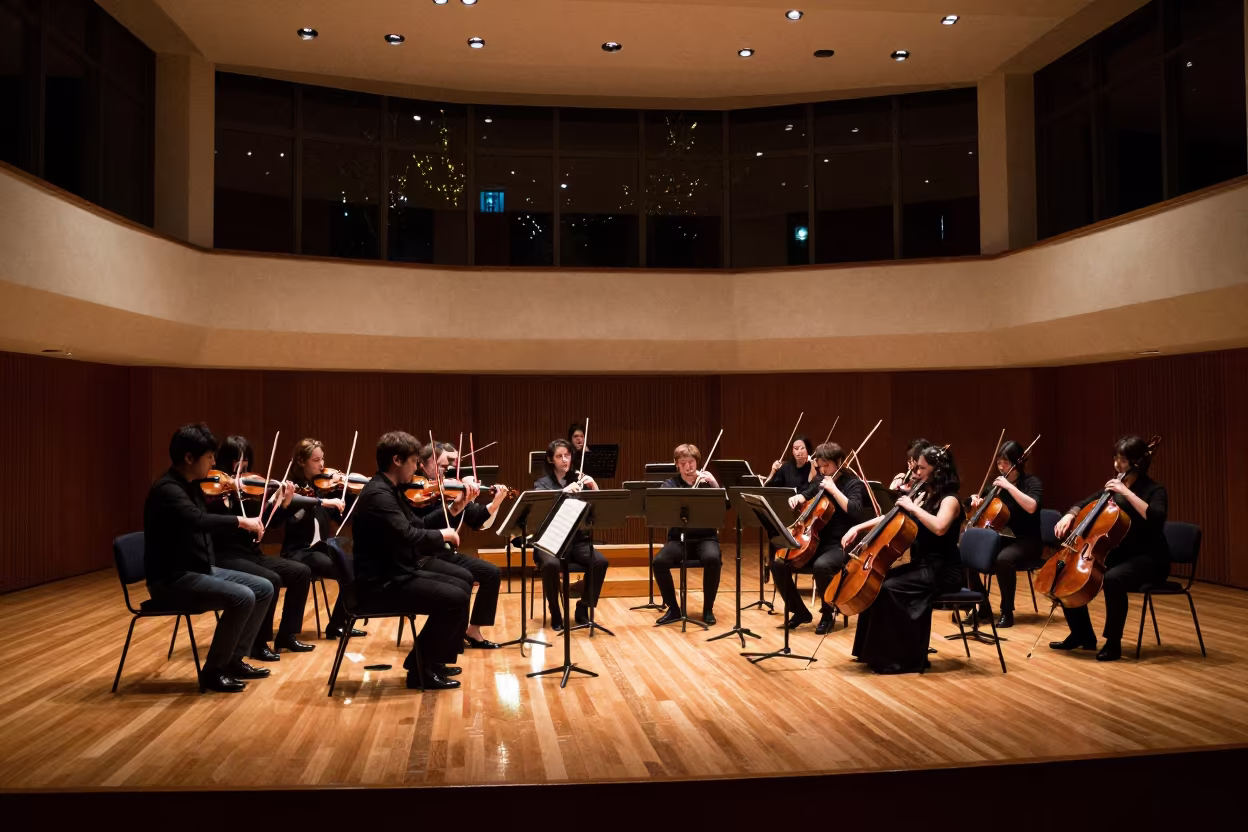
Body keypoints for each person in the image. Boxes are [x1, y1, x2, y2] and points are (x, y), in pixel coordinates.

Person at [142, 423, 274, 693]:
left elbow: (208, 514)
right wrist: (241, 521)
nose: (214, 463)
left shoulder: (191, 485)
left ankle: (234, 660)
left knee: (264, 587)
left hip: (199, 569)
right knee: (243, 596)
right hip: (173, 579)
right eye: (210, 456)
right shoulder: (168, 490)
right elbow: (197, 520)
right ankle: (214, 672)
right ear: (189, 458)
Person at [351, 431, 472, 690]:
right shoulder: (378, 495)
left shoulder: (390, 490)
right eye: (415, 461)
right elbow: (409, 536)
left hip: (396, 572)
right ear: (397, 460)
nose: (417, 467)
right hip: (380, 583)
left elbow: (419, 523)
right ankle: (420, 669)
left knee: (462, 585)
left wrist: (455, 508)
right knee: (454, 598)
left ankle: (433, 661)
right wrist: (443, 535)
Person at [843, 444, 963, 674]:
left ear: (937, 470)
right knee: (876, 583)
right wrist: (858, 528)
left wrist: (913, 507)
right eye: (916, 468)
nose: (916, 473)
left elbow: (939, 527)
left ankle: (902, 659)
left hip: (942, 571)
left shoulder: (950, 500)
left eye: (921, 468)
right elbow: (891, 517)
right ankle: (869, 653)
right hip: (922, 566)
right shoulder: (923, 494)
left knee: (889, 589)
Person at [1049, 435, 1168, 662]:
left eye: (1122, 460)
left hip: (1149, 558)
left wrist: (1127, 493)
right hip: (1120, 553)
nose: (1116, 465)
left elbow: (1156, 517)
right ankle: (1082, 634)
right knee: (1067, 572)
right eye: (1115, 459)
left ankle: (1113, 643)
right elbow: (1084, 503)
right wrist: (1070, 514)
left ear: (1136, 463)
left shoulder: (1154, 490)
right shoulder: (1113, 487)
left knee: (1113, 579)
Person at [209, 436, 317, 662]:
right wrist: (230, 500)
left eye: (246, 461)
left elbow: (266, 524)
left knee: (301, 572)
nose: (242, 467)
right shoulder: (212, 491)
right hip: (225, 557)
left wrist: (282, 505)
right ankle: (258, 643)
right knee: (271, 579)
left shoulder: (250, 490)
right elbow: (213, 524)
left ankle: (286, 635)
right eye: (237, 461)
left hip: (251, 554)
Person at [410, 441, 507, 648]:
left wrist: (495, 503)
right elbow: (424, 526)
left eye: (449, 467)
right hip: (422, 556)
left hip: (445, 554)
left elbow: (476, 520)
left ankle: (473, 630)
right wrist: (454, 506)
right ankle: (448, 636)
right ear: (423, 464)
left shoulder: (449, 489)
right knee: (464, 577)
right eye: (442, 466)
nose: (446, 471)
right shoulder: (413, 491)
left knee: (491, 572)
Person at [770, 442, 869, 634]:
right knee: (779, 562)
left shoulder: (853, 484)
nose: (823, 470)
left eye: (827, 465)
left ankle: (828, 613)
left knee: (822, 566)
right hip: (814, 541)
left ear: (839, 462)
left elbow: (855, 511)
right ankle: (799, 612)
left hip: (840, 544)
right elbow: (808, 494)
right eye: (820, 466)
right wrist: (798, 498)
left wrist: (834, 490)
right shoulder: (821, 479)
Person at [281, 437, 362, 640]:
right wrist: (320, 501)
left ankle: (339, 623)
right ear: (301, 461)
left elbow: (340, 517)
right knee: (345, 569)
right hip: (299, 552)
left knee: (356, 568)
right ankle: (332, 626)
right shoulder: (292, 488)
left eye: (322, 459)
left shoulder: (320, 487)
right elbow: (292, 515)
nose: (322, 465)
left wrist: (347, 492)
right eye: (316, 460)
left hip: (320, 549)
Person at [963, 439, 1043, 628]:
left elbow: (1032, 506)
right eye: (999, 462)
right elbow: (976, 505)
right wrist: (973, 501)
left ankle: (1007, 611)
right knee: (966, 556)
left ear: (1017, 462)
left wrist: (1009, 487)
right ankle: (982, 605)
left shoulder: (1031, 483)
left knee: (1003, 560)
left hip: (1027, 541)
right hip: (1002, 539)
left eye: (1005, 462)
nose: (1001, 467)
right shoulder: (995, 487)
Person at [532, 438, 610, 631]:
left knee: (600, 562)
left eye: (567, 455)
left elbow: (597, 512)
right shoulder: (542, 483)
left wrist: (594, 487)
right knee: (550, 565)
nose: (565, 459)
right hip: (550, 541)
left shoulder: (579, 480)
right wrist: (562, 492)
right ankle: (555, 612)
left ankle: (583, 608)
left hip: (576, 540)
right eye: (559, 456)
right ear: (551, 459)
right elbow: (541, 510)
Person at [653, 444, 723, 627]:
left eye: (691, 462)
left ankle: (708, 609)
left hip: (705, 538)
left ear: (697, 462)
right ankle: (673, 608)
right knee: (659, 562)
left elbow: (725, 507)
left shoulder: (708, 484)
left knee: (713, 558)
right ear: (677, 464)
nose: (688, 467)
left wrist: (715, 485)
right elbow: (661, 502)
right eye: (683, 463)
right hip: (679, 539)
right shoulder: (671, 484)